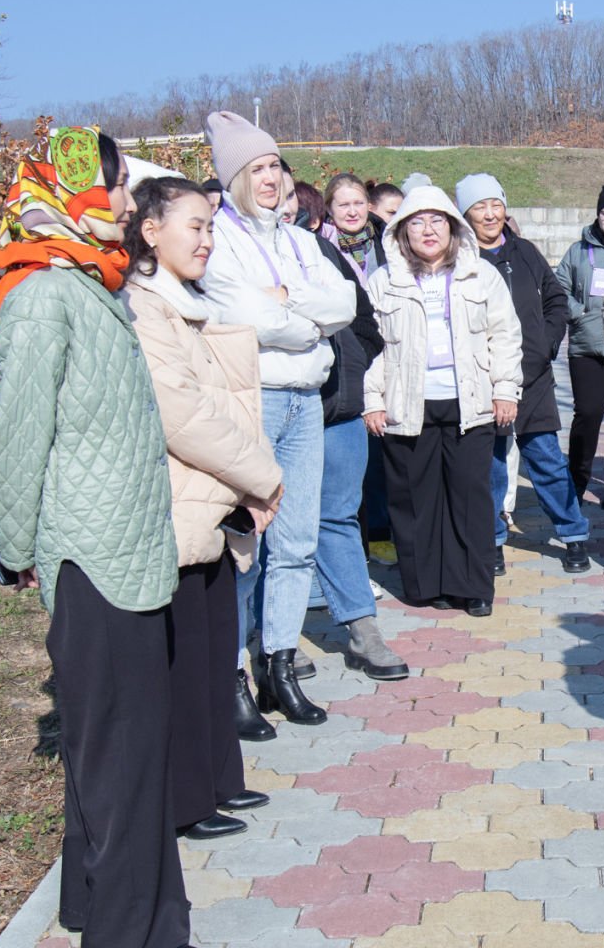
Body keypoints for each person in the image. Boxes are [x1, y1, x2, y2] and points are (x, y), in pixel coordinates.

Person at [0, 128, 212, 948]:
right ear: (70, 189)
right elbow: (15, 432)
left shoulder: (88, 279)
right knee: (123, 748)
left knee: (105, 739)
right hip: (94, 555)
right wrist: (16, 545)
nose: (122, 200)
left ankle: (88, 898)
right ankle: (132, 934)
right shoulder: (44, 292)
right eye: (112, 185)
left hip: (123, 547)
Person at [121, 176, 284, 838]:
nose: (207, 240)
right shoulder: (142, 306)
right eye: (195, 226)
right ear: (151, 230)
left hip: (218, 501)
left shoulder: (187, 298)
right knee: (187, 657)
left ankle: (219, 778)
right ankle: (188, 800)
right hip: (185, 501)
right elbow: (181, 414)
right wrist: (262, 476)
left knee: (216, 650)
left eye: (211, 227)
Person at [200, 111, 356, 728]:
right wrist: (304, 321)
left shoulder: (299, 239)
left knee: (296, 542)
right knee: (248, 545)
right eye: (256, 168)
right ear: (233, 177)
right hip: (255, 397)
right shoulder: (219, 237)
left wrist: (290, 303)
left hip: (305, 400)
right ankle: (232, 675)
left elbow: (345, 302)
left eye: (274, 166)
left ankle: (279, 664)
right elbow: (250, 318)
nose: (270, 178)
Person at [363, 185, 522, 616]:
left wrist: (505, 390)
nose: (428, 230)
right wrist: (372, 400)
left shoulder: (480, 275)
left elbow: (505, 336)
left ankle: (473, 587)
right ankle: (426, 583)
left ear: (453, 228)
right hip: (407, 404)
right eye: (416, 222)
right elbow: (371, 348)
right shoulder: (383, 282)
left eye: (437, 221)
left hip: (470, 403)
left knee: (471, 498)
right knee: (416, 499)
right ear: (401, 232)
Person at [456, 173, 590, 576]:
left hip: (532, 378)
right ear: (465, 214)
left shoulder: (525, 251)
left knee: (547, 461)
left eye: (495, 204)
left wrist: (546, 342)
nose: (490, 214)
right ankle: (493, 540)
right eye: (480, 207)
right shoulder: (460, 259)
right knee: (492, 466)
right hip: (485, 380)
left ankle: (573, 534)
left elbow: (556, 299)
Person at [307, 194, 407, 680]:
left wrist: (352, 363)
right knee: (276, 524)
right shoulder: (233, 249)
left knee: (341, 518)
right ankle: (273, 637)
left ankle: (363, 629)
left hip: (340, 406)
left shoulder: (317, 250)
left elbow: (362, 316)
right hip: (280, 404)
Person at [555, 184, 604, 510]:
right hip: (585, 345)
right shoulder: (578, 251)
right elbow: (558, 288)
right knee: (587, 414)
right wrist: (579, 313)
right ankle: (577, 479)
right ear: (597, 215)